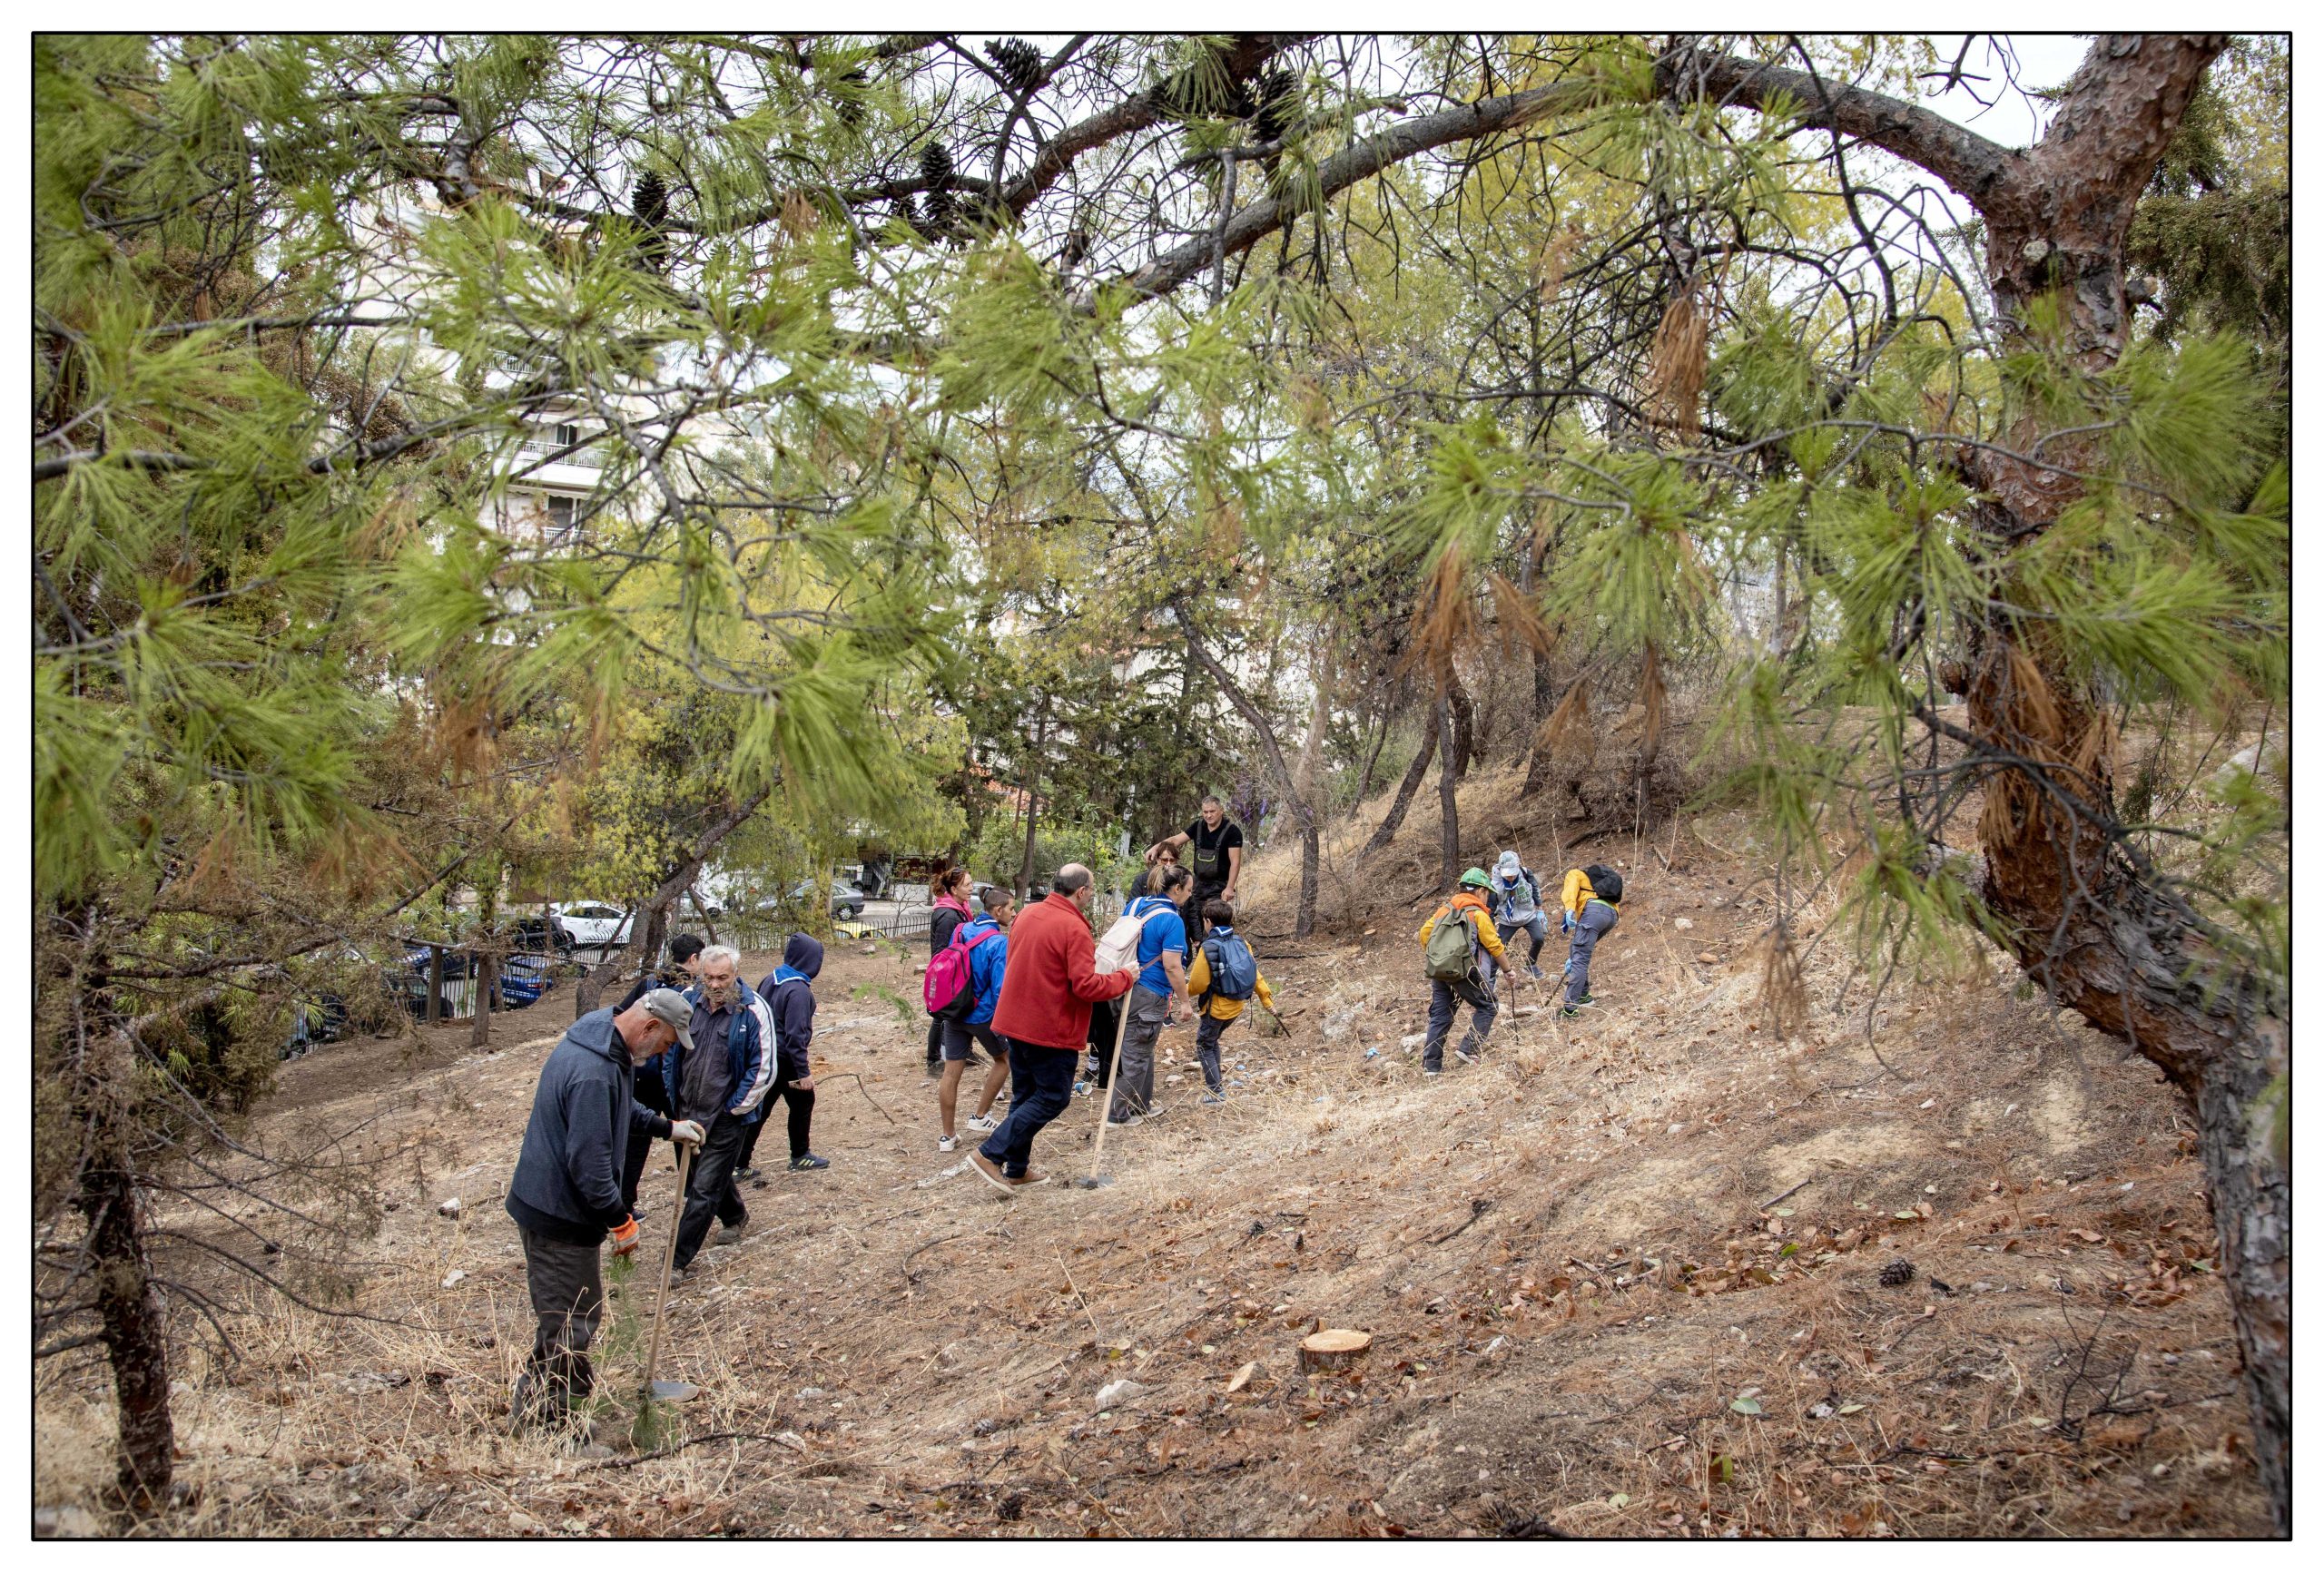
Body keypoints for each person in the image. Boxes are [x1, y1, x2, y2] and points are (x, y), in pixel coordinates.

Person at [504, 988, 703, 1433]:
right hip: (559, 1216)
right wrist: (621, 1220)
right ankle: (547, 1429)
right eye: (668, 1043)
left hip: (557, 1207)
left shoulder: (603, 1037)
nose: (666, 1053)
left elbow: (617, 1106)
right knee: (570, 1323)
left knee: (573, 1315)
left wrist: (665, 1126)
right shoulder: (593, 1070)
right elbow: (589, 1167)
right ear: (650, 1026)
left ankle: (547, 1413)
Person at [973, 864, 1136, 1193]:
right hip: (1048, 1027)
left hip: (1016, 1020)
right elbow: (1085, 986)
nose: (1091, 894)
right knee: (1052, 1097)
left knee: (1026, 1095)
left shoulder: (1028, 914)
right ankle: (990, 1153)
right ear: (1081, 892)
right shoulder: (1073, 928)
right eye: (1091, 888)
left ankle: (1017, 1168)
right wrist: (1124, 978)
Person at [654, 945, 775, 1279]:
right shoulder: (689, 1002)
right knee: (698, 1178)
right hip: (686, 1113)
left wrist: (734, 1110)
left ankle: (675, 1262)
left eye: (723, 977)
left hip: (726, 1118)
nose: (716, 984)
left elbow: (763, 1068)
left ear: (735, 974)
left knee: (701, 1191)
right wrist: (673, 1103)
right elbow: (669, 1052)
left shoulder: (753, 1010)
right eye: (709, 977)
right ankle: (735, 1216)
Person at [617, 934, 704, 1209]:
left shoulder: (650, 982)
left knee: (637, 1136)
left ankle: (625, 1202)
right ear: (693, 959)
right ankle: (693, 1193)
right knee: (683, 1132)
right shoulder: (691, 990)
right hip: (669, 1075)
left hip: (640, 1072)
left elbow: (622, 1010)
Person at [1108, 864, 1194, 1126]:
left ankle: (1141, 1104)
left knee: (1139, 1049)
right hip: (1149, 992)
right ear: (1176, 889)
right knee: (1136, 1055)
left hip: (1121, 984)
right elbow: (1172, 965)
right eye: (1189, 890)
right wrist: (1185, 1001)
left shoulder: (1135, 905)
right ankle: (1117, 1114)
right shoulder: (1171, 920)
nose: (1190, 895)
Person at [937, 886, 1015, 1153]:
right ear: (998, 910)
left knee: (951, 1072)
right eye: (1011, 908)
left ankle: (947, 1137)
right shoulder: (998, 942)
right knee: (1004, 1060)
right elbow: (1000, 989)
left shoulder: (961, 930)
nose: (1014, 914)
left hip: (954, 1010)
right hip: (982, 1015)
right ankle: (980, 1116)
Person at [1184, 899, 1276, 1103]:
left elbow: (1198, 984)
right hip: (1237, 1006)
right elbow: (1255, 974)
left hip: (1216, 1008)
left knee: (1203, 1045)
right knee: (1211, 1041)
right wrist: (1267, 1001)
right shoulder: (1241, 942)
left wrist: (1181, 990)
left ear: (1208, 922)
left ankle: (1215, 1092)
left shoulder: (1208, 948)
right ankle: (1216, 1087)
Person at [1417, 867, 1508, 1076]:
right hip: (1465, 971)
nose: (1487, 898)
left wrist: (1439, 957)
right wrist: (1508, 970)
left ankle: (1431, 1066)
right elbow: (1494, 945)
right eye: (1487, 893)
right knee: (1489, 1005)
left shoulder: (1443, 911)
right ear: (1480, 892)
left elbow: (1424, 933)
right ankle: (1469, 1049)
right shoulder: (1477, 914)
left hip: (1439, 971)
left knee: (1440, 1015)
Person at [751, 933, 828, 1172]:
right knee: (804, 1102)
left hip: (765, 1055)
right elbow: (795, 1036)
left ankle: (739, 1163)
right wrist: (803, 1072)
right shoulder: (798, 991)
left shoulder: (770, 979)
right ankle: (800, 1155)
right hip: (786, 1060)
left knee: (760, 1109)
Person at [1144, 795, 1243, 946]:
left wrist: (1229, 887)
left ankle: (1217, 957)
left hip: (1219, 886)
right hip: (1198, 884)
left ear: (1221, 811)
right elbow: (1176, 840)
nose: (1208, 815)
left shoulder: (1232, 832)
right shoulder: (1198, 826)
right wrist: (1156, 847)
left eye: (1212, 811)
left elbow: (1235, 862)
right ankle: (1200, 955)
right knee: (1195, 921)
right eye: (1205, 812)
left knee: (1215, 923)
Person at [925, 869, 977, 1077]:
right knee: (941, 1016)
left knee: (957, 1014)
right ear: (954, 889)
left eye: (972, 883)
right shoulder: (948, 915)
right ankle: (934, 1061)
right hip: (947, 974)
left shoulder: (959, 909)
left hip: (957, 971)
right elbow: (941, 952)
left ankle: (965, 1053)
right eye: (967, 885)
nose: (971, 888)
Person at [1557, 864, 1624, 1018]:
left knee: (1580, 960)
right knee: (1577, 951)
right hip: (1611, 915)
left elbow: (1570, 891)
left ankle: (1570, 1009)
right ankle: (1583, 995)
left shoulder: (1576, 873)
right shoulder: (1601, 886)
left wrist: (1569, 909)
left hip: (1593, 913)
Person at [1488, 851, 1551, 978]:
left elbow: (1535, 889)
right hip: (1508, 919)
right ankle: (1490, 976)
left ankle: (1530, 965)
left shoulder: (1525, 873)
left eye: (1513, 873)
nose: (1510, 877)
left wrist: (1540, 910)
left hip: (1528, 915)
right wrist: (1490, 927)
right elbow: (1491, 908)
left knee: (1539, 938)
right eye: (1507, 874)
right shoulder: (1494, 885)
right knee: (1499, 947)